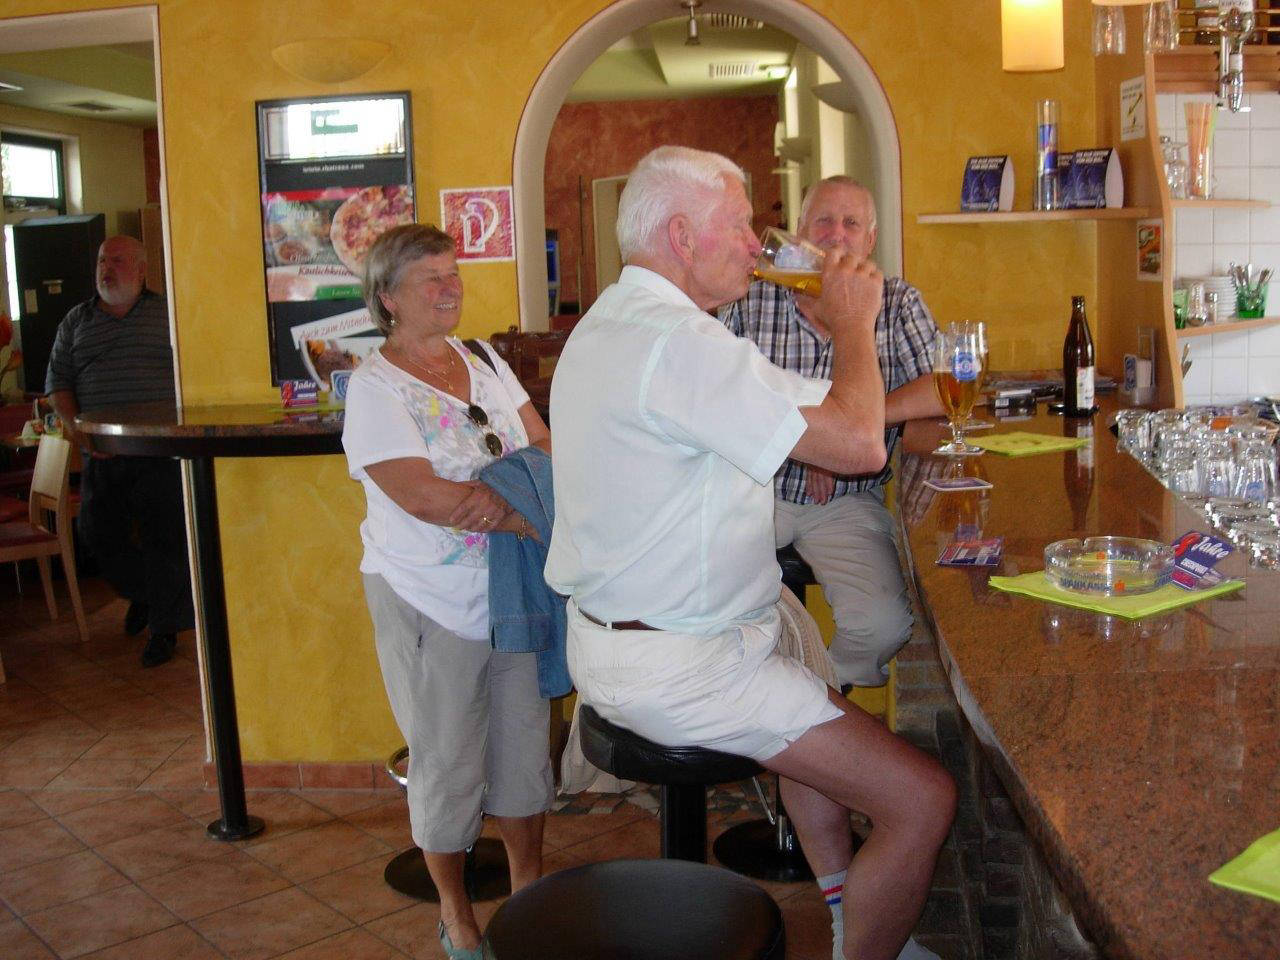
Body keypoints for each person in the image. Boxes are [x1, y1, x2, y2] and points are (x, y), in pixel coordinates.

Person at [546, 147, 955, 960]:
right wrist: (852, 323)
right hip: (682, 665)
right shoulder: (678, 344)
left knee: (804, 654)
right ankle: (861, 946)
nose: (756, 243)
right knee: (923, 799)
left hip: (639, 632)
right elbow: (861, 444)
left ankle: (841, 907)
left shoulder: (625, 321)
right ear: (681, 236)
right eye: (738, 224)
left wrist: (839, 380)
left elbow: (818, 412)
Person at [341, 224, 554, 960]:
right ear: (387, 299)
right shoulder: (374, 388)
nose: (450, 287)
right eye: (430, 278)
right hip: (427, 600)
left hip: (512, 591)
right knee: (447, 763)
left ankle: (528, 896)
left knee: (524, 756)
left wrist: (508, 499)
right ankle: (457, 915)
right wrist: (524, 512)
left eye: (452, 272)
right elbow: (424, 497)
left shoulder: (485, 360)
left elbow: (542, 443)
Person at [720, 175, 943, 690]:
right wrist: (811, 446)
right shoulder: (753, 299)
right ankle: (759, 701)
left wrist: (853, 430)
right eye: (823, 221)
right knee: (705, 607)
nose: (836, 234)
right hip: (757, 488)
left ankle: (812, 700)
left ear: (871, 239)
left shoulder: (898, 302)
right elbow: (720, 397)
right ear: (799, 232)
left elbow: (942, 386)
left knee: (884, 626)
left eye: (851, 223)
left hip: (848, 501)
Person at [46, 235, 193, 667]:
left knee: (165, 539)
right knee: (97, 535)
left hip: (159, 450)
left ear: (142, 269)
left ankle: (164, 630)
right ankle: (145, 594)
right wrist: (78, 433)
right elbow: (58, 384)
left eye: (118, 261)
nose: (106, 269)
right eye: (101, 261)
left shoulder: (168, 314)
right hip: (103, 452)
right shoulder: (76, 321)